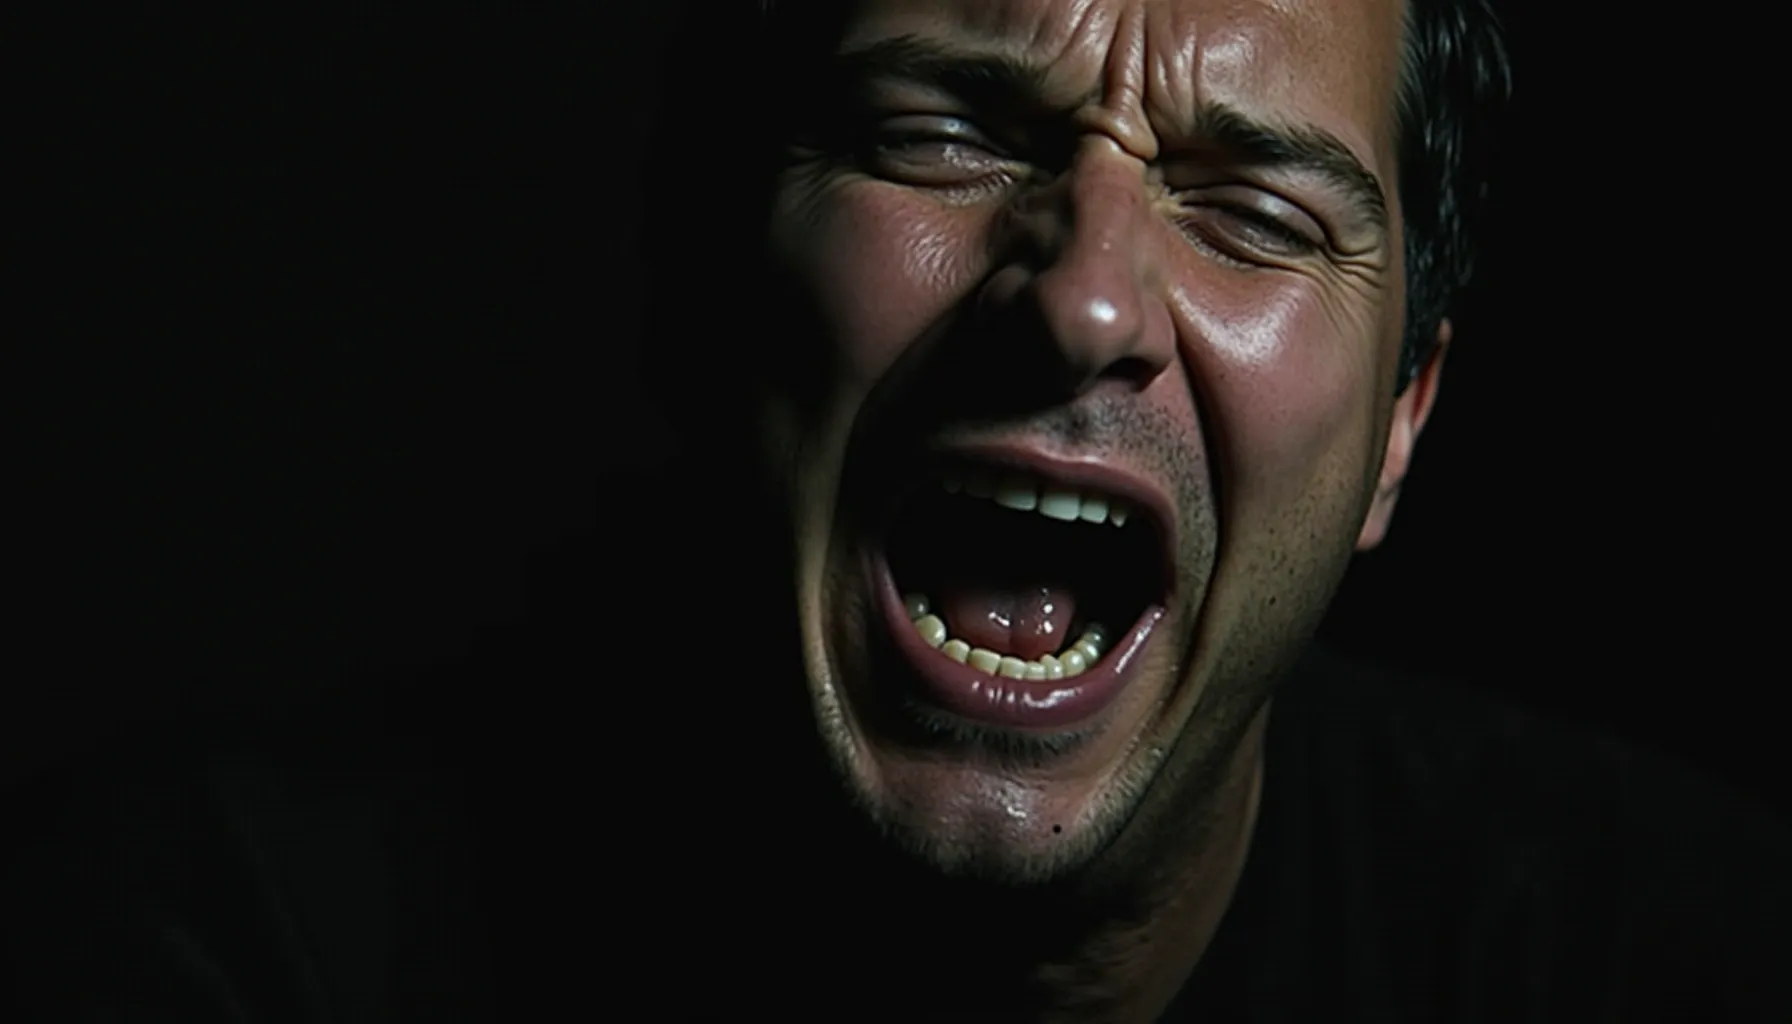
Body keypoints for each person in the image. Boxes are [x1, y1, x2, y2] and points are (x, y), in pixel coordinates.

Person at [4, 1, 1787, 1021]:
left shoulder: (1682, 958)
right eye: (949, 137)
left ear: (1402, 425)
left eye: (1254, 213)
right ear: (714, 262)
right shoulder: (211, 942)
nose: (1085, 299)